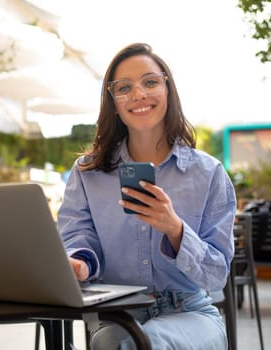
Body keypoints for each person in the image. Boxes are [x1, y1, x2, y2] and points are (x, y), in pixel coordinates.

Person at [57, 43, 236, 349]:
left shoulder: (208, 173)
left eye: (150, 82)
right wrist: (80, 263)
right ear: (113, 103)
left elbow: (217, 274)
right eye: (124, 87)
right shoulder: (88, 173)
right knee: (121, 343)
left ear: (168, 90)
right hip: (118, 313)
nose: (138, 94)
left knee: (146, 343)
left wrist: (175, 229)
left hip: (191, 312)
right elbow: (78, 238)